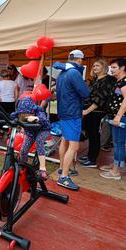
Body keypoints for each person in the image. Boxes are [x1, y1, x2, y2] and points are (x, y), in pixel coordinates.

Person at [53, 49, 90, 190]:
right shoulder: (74, 73)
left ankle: (62, 169)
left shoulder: (63, 72)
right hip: (72, 112)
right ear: (80, 60)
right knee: (74, 146)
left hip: (63, 111)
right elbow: (85, 93)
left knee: (64, 141)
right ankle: (64, 177)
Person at [80, 58, 116, 168]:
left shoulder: (108, 80)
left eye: (98, 66)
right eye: (94, 66)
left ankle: (92, 160)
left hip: (97, 111)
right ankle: (90, 155)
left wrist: (87, 111)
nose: (95, 67)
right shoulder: (96, 79)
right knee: (91, 134)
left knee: (94, 135)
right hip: (91, 110)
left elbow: (100, 98)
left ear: (104, 67)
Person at [11, 96, 51, 179]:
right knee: (23, 149)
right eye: (22, 115)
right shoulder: (18, 115)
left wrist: (37, 118)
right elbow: (12, 117)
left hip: (43, 130)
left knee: (39, 141)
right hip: (31, 132)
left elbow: (46, 122)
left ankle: (42, 169)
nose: (24, 116)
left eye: (26, 114)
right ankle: (23, 164)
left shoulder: (38, 111)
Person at [99, 58, 126, 180]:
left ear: (122, 68)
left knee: (119, 144)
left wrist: (119, 115)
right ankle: (115, 165)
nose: (111, 69)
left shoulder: (124, 82)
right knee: (117, 143)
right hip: (115, 116)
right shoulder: (118, 81)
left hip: (121, 117)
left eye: (114, 67)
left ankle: (116, 171)